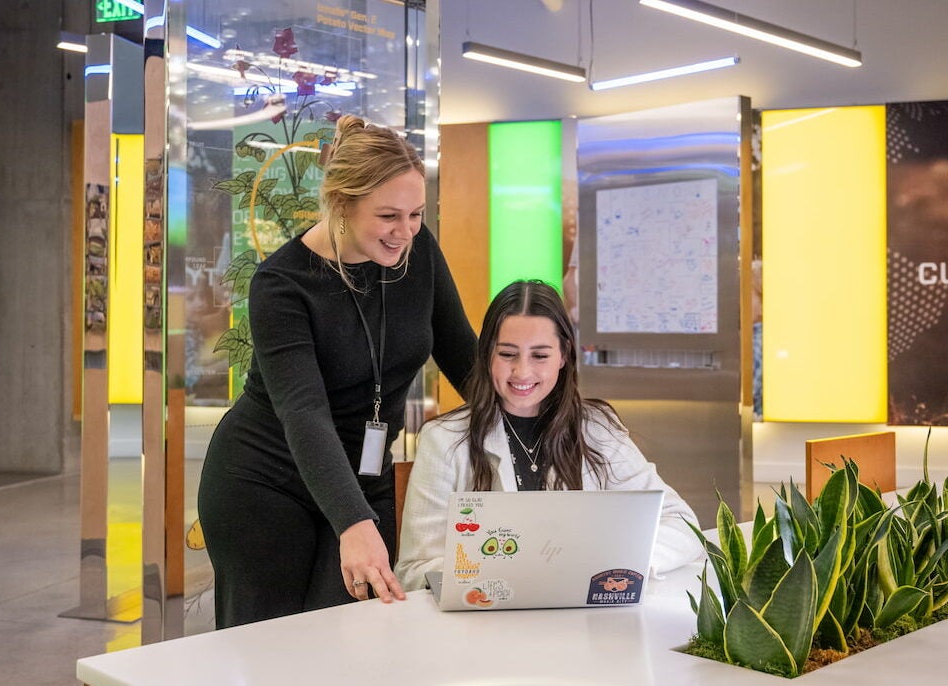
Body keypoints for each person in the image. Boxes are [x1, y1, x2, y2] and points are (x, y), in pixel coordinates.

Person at [197, 114, 477, 628]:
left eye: (415, 214)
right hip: (266, 480)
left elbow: (464, 357)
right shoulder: (281, 285)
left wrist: (549, 421)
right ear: (341, 205)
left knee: (353, 642)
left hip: (363, 475)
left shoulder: (419, 252)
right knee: (270, 652)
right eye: (389, 215)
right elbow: (303, 412)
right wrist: (353, 521)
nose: (405, 232)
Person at [395, 280, 705, 590]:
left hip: (586, 624)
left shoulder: (597, 428)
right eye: (507, 354)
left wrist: (615, 564)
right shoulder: (445, 439)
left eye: (540, 356)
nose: (522, 372)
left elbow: (683, 525)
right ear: (487, 354)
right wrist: (511, 574)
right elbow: (415, 569)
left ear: (563, 355)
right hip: (487, 625)